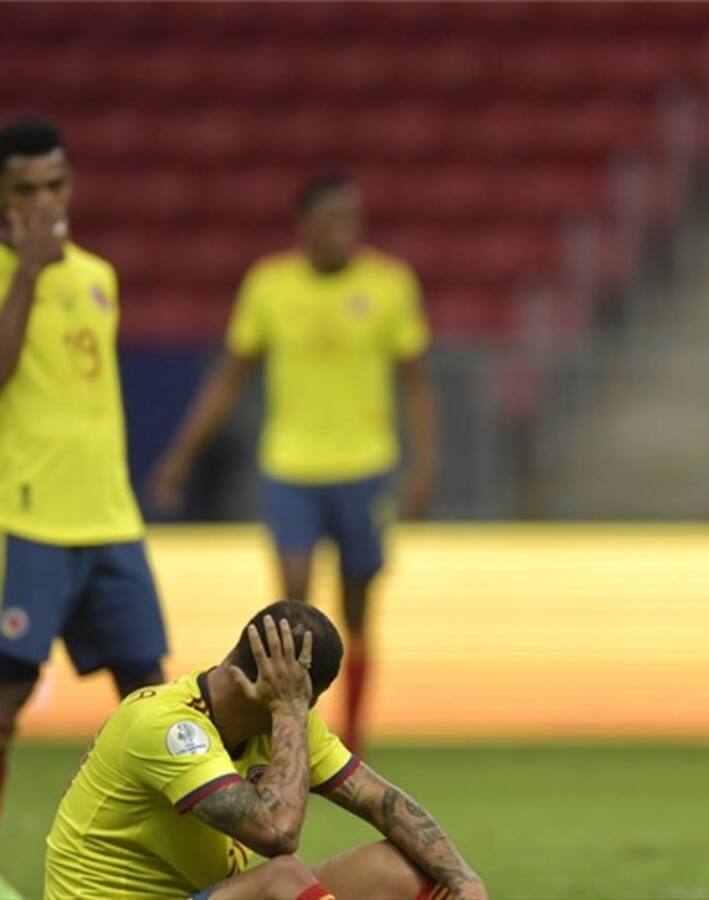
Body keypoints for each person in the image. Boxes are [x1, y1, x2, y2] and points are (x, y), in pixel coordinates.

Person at [151, 175, 438, 754]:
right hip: (292, 469)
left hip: (365, 467)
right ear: (304, 226)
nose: (344, 232)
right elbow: (230, 375)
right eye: (333, 220)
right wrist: (180, 455)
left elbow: (415, 384)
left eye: (352, 219)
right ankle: (294, 730)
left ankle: (353, 735)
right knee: (295, 612)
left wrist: (423, 465)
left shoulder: (388, 284)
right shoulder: (269, 285)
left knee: (358, 611)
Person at [45, 599, 487, 900]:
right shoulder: (165, 726)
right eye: (305, 698)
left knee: (397, 869)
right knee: (283, 878)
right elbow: (277, 835)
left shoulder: (283, 717)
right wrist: (292, 711)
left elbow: (382, 801)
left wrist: (464, 879)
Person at [0, 118, 168, 816]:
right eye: (26, 188)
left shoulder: (100, 275)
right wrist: (31, 269)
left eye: (56, 184)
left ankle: (175, 873)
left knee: (154, 708)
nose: (46, 202)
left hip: (111, 518)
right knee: (4, 703)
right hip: (28, 517)